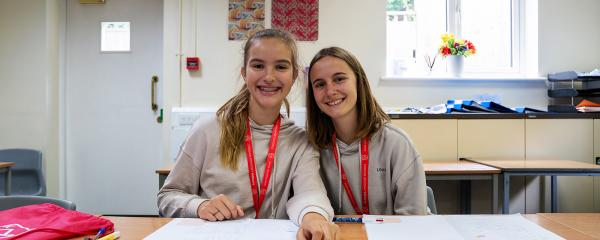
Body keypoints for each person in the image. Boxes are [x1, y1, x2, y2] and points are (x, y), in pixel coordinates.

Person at [158, 29, 338, 239]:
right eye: (258, 65)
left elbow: (310, 192)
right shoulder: (208, 130)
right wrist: (200, 205)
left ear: (294, 76)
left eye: (280, 67)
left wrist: (314, 217)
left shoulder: (300, 141)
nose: (269, 77)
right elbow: (167, 196)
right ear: (244, 73)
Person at [306, 46, 427, 215]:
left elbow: (414, 219)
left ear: (359, 82)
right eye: (320, 84)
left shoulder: (396, 144)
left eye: (339, 79)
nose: (330, 91)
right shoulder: (312, 148)